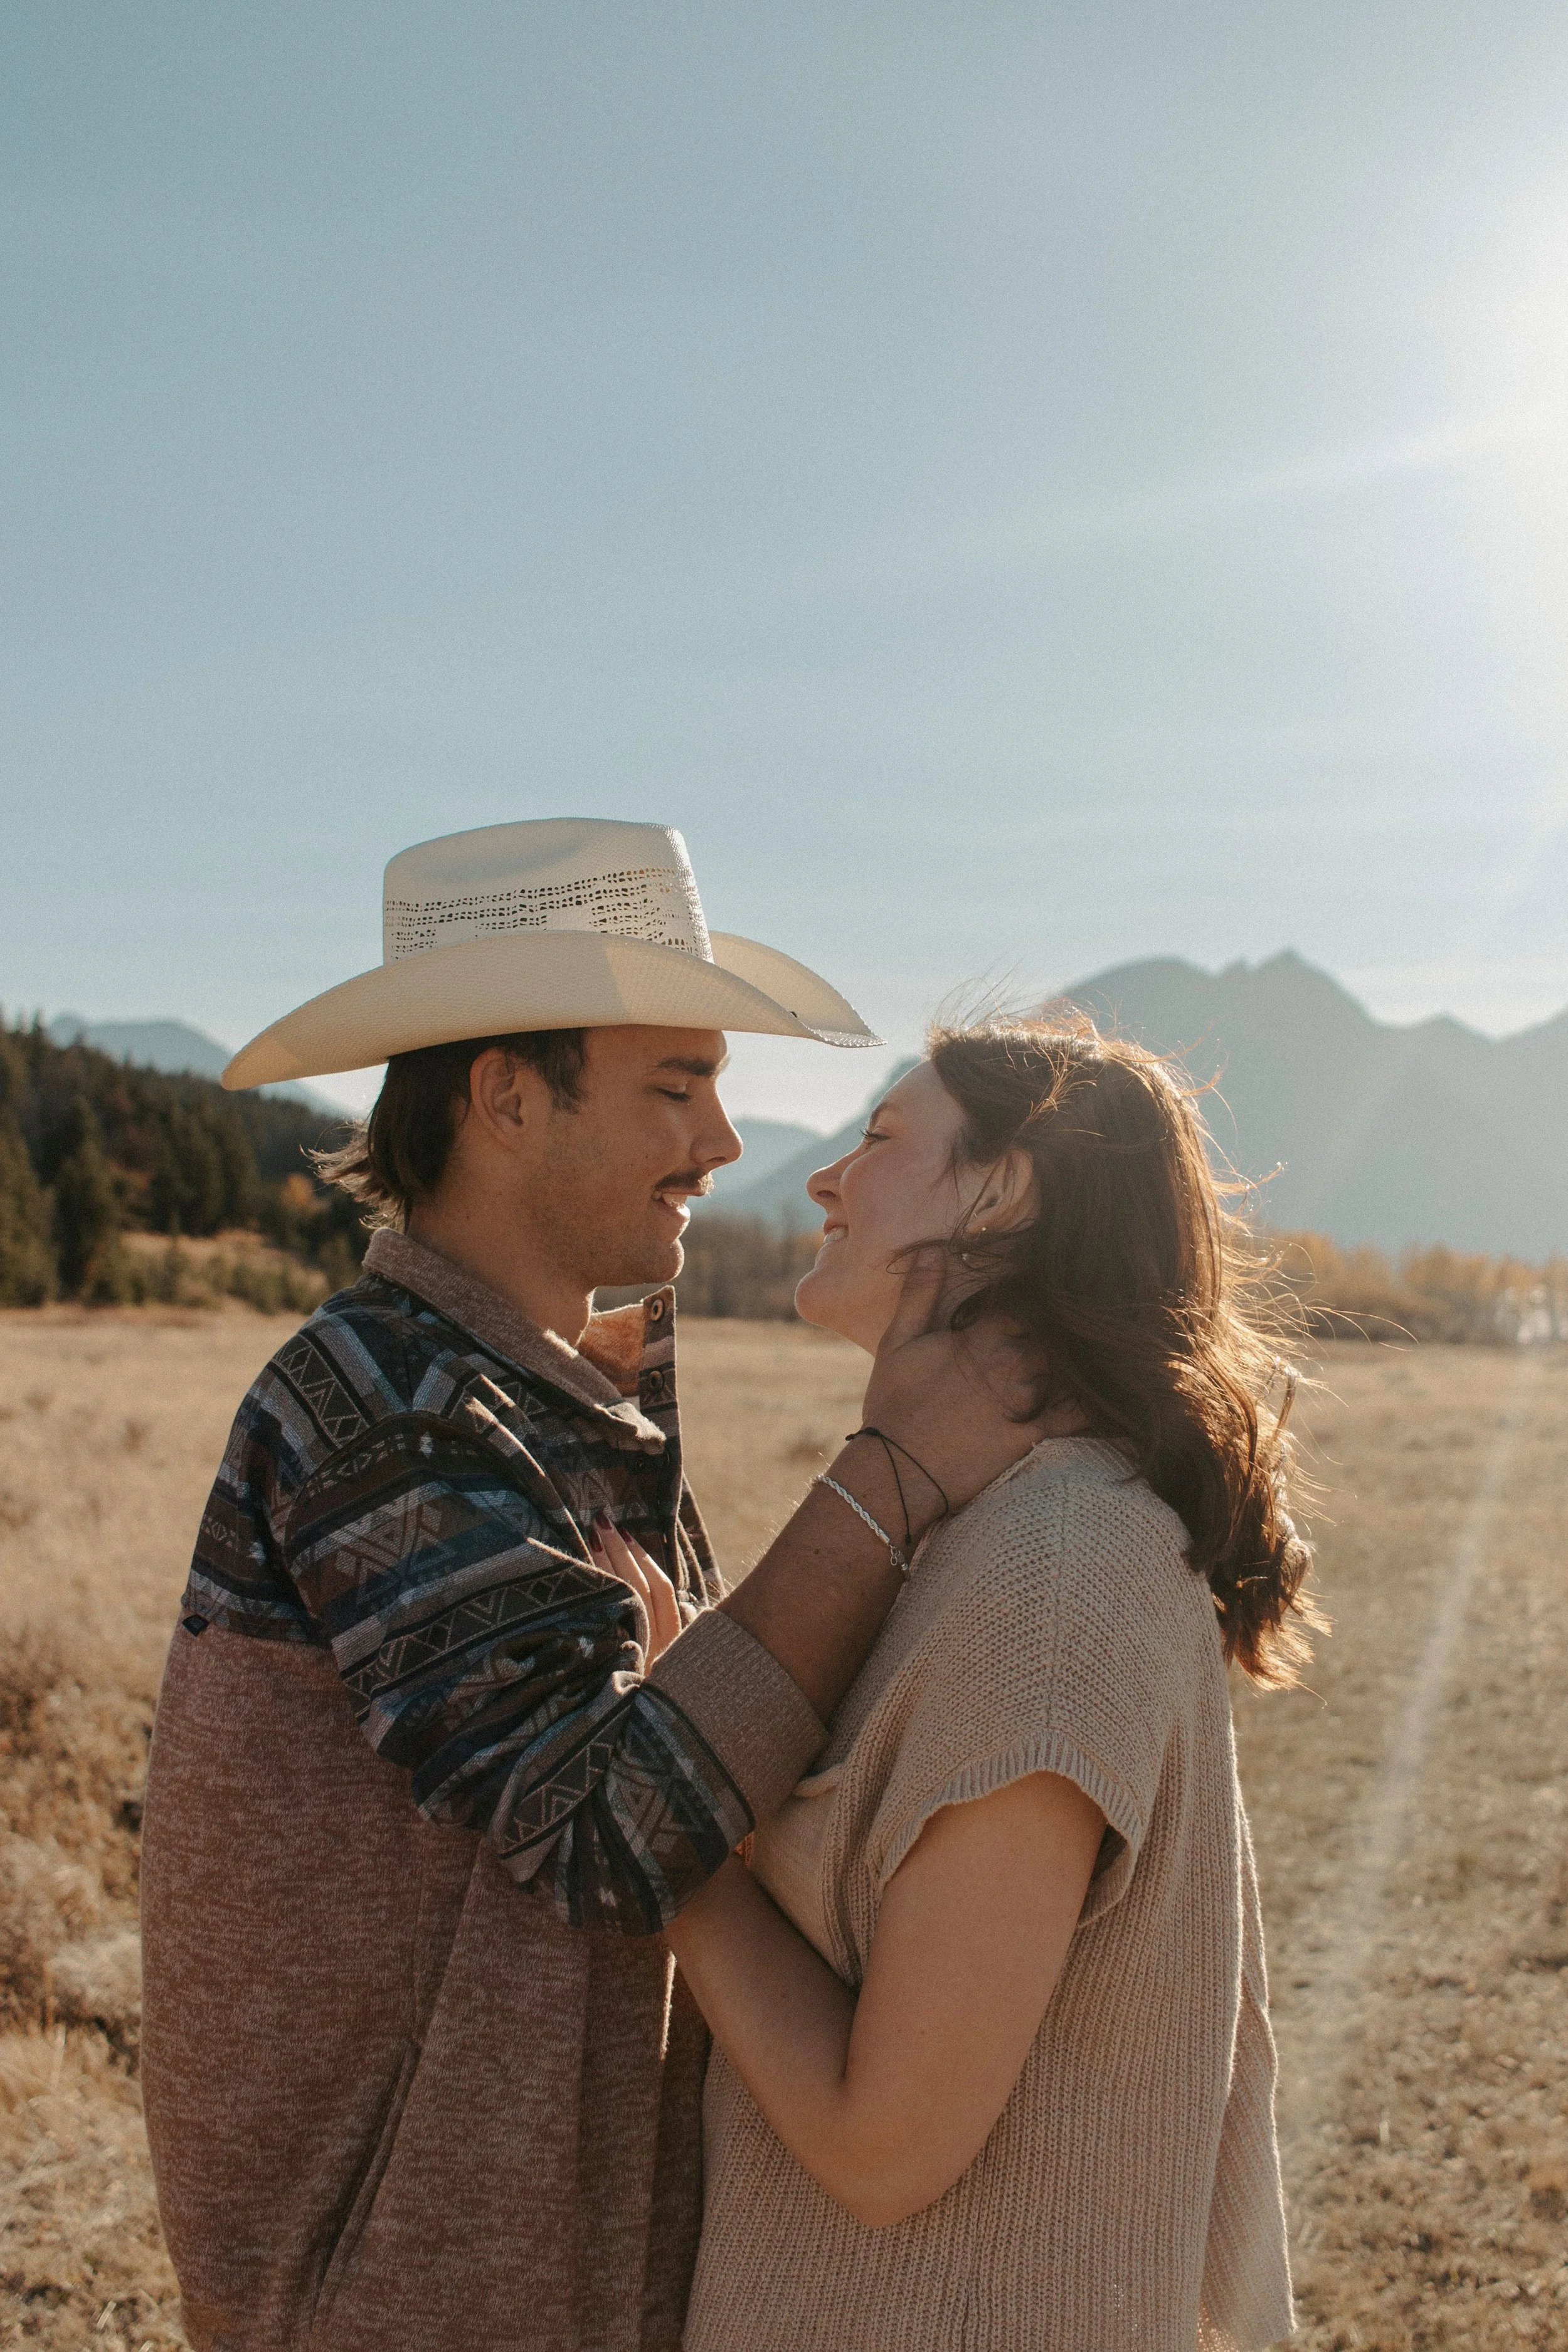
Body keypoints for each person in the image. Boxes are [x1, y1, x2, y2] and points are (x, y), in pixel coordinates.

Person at [139, 819, 1044, 2352]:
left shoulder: (543, 1394)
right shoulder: (379, 1405)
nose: (723, 1144)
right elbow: (615, 1839)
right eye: (675, 1089)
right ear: (504, 1096)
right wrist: (889, 1475)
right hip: (403, 2303)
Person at [628, 1019, 1315, 2352]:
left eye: (880, 1139)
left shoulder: (1052, 1575)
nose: (824, 1179)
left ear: (1002, 1196)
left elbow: (883, 2148)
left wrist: (673, 1837)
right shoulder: (982, 1530)